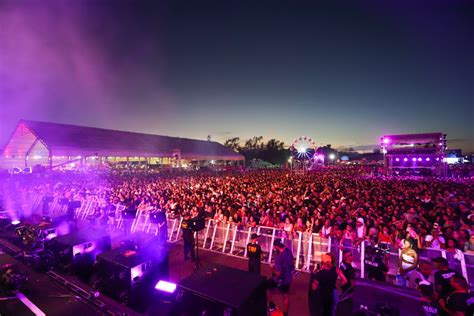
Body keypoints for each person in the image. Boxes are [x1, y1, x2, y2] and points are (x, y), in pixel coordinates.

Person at [268, 240, 294, 316]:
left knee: (266, 287)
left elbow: (278, 273)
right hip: (288, 278)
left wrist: (272, 268)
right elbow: (292, 261)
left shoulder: (279, 257)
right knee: (285, 295)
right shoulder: (288, 250)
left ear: (276, 247)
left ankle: (271, 306)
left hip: (280, 279)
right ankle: (285, 314)